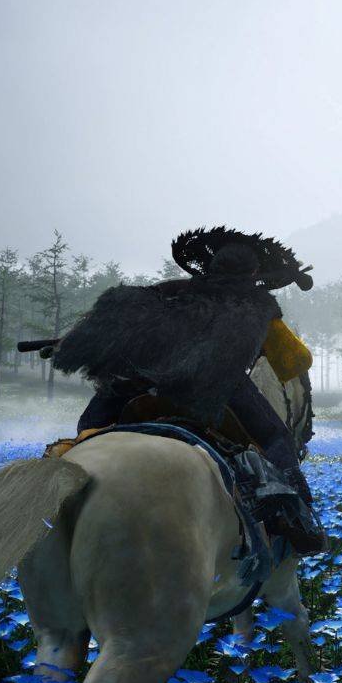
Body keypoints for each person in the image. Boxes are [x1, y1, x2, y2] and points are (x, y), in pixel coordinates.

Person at [51, 227, 327, 555]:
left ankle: (62, 471)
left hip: (137, 384)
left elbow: (115, 329)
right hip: (215, 389)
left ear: (209, 267)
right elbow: (296, 362)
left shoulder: (168, 293)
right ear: (254, 273)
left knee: (88, 431)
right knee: (277, 438)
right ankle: (295, 518)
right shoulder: (258, 307)